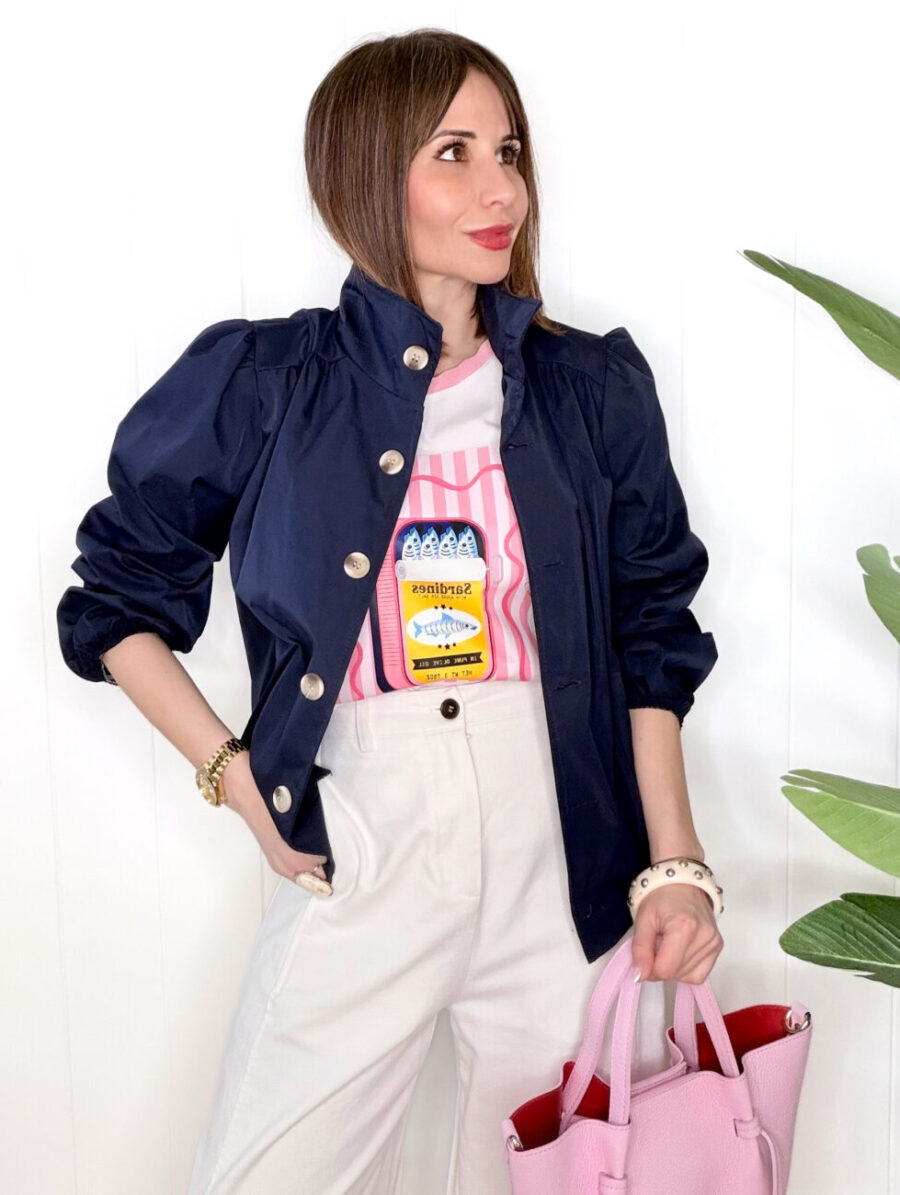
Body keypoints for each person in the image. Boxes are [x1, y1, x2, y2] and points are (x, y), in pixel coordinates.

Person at [57, 28, 723, 1195]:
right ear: (366, 172)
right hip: (366, 834)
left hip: (564, 848)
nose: (501, 189)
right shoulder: (268, 381)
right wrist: (238, 782)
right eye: (453, 153)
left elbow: (650, 630)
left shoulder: (591, 389)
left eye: (507, 151)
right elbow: (114, 602)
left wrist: (675, 863)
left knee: (573, 1179)